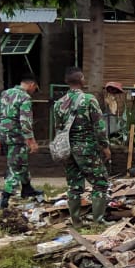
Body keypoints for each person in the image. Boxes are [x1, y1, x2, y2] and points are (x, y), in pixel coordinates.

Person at [53, 67, 112, 226]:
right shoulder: (88, 99)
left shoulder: (59, 103)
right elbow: (99, 126)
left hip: (67, 149)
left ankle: (77, 222)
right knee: (100, 182)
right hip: (86, 148)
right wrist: (105, 146)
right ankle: (98, 220)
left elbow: (58, 128)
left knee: (74, 185)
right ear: (81, 80)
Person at [0, 74, 41, 209]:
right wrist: (31, 140)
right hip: (16, 135)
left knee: (19, 160)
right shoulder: (25, 98)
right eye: (35, 89)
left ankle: (27, 188)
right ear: (32, 85)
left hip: (3, 133)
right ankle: (5, 197)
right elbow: (25, 121)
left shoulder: (6, 93)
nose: (33, 92)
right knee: (15, 166)